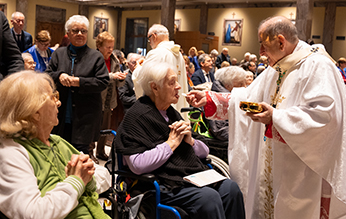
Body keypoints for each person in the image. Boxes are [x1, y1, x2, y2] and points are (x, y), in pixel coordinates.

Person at [186, 16, 346, 218]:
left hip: (302, 168)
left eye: (263, 44)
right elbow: (247, 98)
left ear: (281, 41)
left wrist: (276, 117)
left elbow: (326, 118)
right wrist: (211, 98)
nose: (260, 52)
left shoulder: (317, 66)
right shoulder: (278, 67)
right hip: (274, 163)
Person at [115, 62, 245, 219]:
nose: (178, 87)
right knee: (208, 198)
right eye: (172, 82)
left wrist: (190, 141)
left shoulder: (170, 112)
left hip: (186, 176)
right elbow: (137, 165)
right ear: (155, 88)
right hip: (160, 183)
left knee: (231, 189)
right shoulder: (137, 117)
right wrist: (170, 144)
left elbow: (205, 151)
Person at [0, 70, 110, 219]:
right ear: (35, 112)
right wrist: (75, 182)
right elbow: (33, 214)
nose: (58, 102)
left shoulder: (56, 141)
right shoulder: (11, 152)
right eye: (53, 97)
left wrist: (87, 179)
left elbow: (104, 175)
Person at [46, 15, 109, 158]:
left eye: (83, 31)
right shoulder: (58, 54)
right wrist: (60, 75)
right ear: (68, 33)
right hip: (60, 116)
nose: (80, 34)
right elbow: (47, 74)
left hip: (85, 117)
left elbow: (103, 82)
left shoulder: (96, 57)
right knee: (58, 155)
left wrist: (79, 82)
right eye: (75, 30)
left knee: (79, 158)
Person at [132, 24, 189, 120]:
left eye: (149, 39)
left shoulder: (156, 53)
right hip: (176, 104)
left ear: (154, 36)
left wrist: (137, 68)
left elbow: (143, 79)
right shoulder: (178, 54)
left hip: (162, 108)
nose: (150, 43)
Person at [95, 31, 126, 162]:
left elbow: (118, 84)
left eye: (112, 47)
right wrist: (112, 76)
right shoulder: (94, 58)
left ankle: (101, 151)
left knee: (105, 127)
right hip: (96, 98)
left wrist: (121, 78)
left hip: (109, 98)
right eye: (108, 47)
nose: (111, 50)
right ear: (99, 46)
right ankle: (90, 151)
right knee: (95, 127)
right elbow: (94, 77)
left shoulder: (113, 59)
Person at [0, 11, 24, 81]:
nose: (21, 24)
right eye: (18, 21)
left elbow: (14, 59)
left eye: (22, 21)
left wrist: (11, 85)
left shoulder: (1, 17)